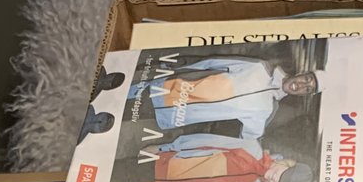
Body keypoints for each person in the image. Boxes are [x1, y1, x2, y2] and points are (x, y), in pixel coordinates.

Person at [131, 58, 321, 137]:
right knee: (119, 93)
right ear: (302, 73)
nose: (301, 85)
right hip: (165, 88)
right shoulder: (260, 68)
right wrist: (168, 66)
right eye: (307, 79)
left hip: (168, 117)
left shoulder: (267, 110)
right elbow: (210, 61)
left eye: (307, 89)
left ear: (304, 95)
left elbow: (247, 139)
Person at [137, 133, 314, 182]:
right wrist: (163, 147)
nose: (275, 179)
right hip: (164, 163)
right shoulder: (251, 148)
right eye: (283, 174)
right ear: (287, 163)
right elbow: (205, 141)